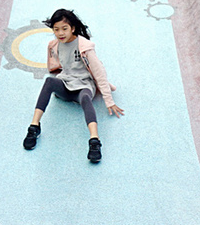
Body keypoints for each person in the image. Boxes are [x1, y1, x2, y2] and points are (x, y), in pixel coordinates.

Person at [22, 8, 124, 163]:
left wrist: (109, 101)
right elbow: (57, 65)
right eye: (56, 30)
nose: (60, 33)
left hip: (83, 85)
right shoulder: (54, 45)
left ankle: (94, 141)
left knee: (85, 97)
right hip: (66, 83)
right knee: (49, 81)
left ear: (73, 28)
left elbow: (99, 74)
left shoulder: (85, 47)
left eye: (64, 29)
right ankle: (34, 127)